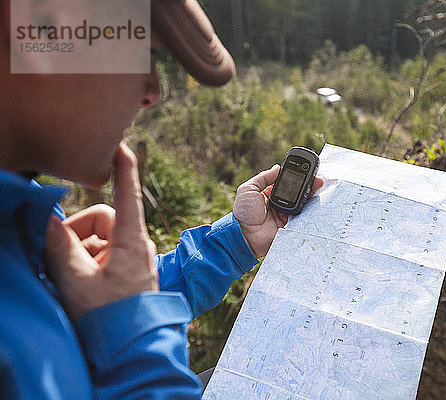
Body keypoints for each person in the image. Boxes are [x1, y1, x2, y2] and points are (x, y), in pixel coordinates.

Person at [0, 0, 323, 398]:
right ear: (44, 30)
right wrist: (133, 337)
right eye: (144, 53)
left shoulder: (19, 218)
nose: (152, 91)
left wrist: (237, 240)